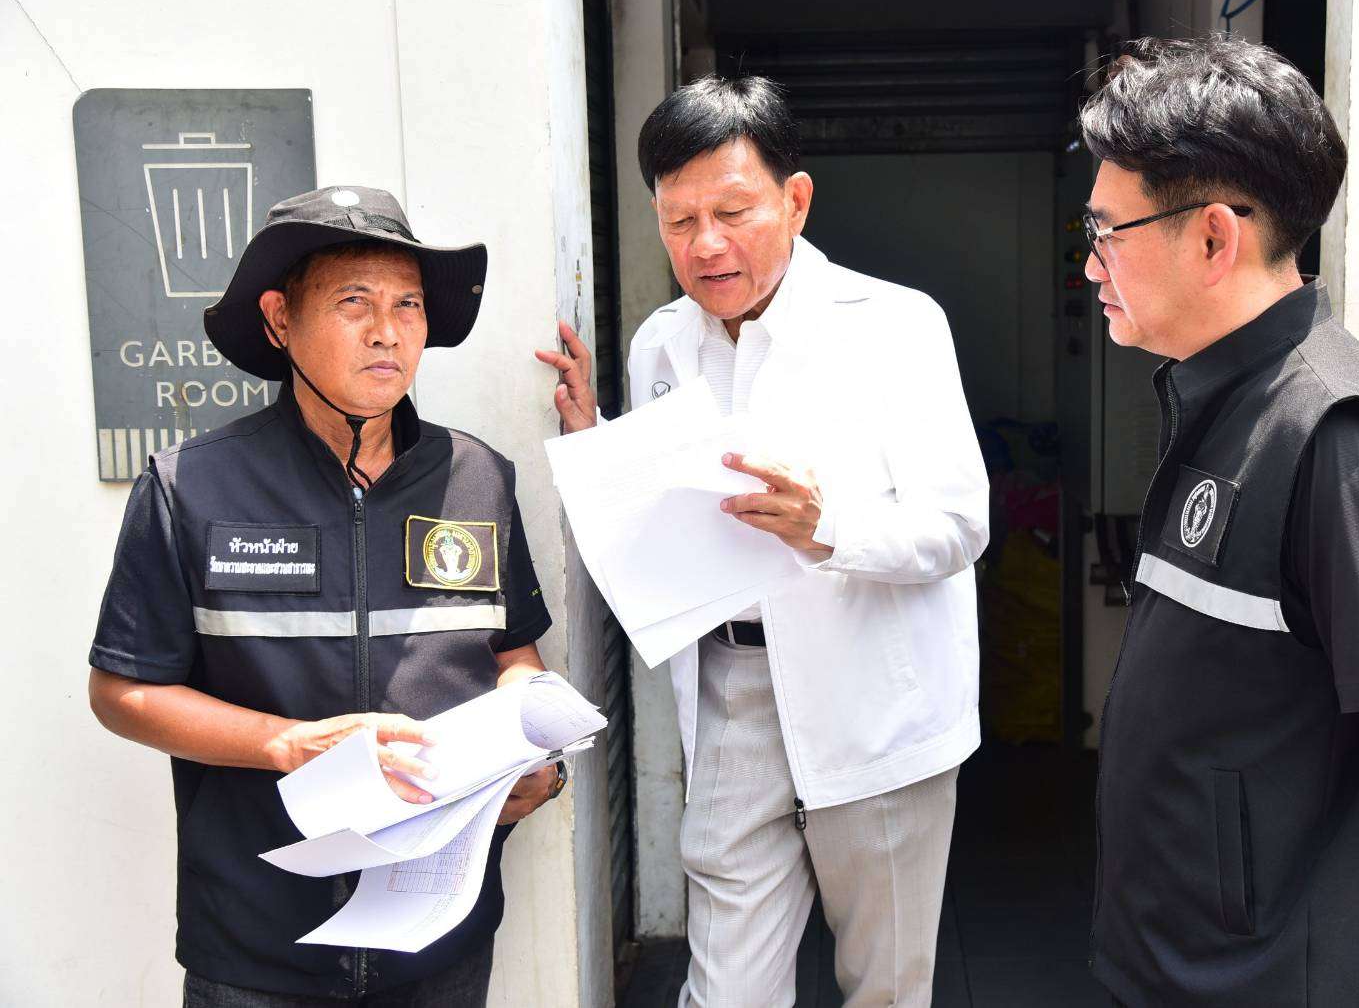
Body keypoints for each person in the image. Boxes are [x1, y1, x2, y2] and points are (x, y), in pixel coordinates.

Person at [536, 75, 988, 1006]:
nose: (704, 244)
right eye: (678, 220)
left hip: (875, 699)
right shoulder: (661, 344)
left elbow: (958, 525)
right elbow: (665, 512)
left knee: (885, 987)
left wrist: (829, 528)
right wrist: (593, 440)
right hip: (731, 692)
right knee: (727, 990)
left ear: (796, 200)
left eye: (732, 212)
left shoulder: (895, 326)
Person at [1078, 37, 1359, 1006]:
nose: (1090, 262)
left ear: (1212, 238)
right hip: (1183, 966)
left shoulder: (1335, 442)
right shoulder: (1229, 399)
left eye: (1106, 231)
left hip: (1270, 981)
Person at [88, 186, 564, 1006]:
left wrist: (533, 754)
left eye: (408, 304)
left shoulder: (478, 476)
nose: (388, 330)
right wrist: (288, 743)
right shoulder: (190, 485)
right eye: (354, 302)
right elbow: (121, 691)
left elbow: (511, 651)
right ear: (280, 320)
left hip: (439, 944)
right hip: (257, 947)